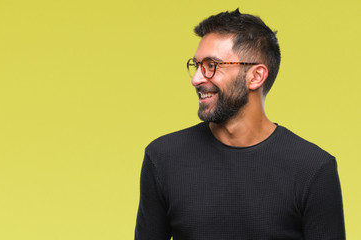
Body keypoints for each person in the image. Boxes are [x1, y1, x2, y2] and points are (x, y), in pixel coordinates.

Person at [134, 8, 345, 240]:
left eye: (212, 65)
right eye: (196, 65)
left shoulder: (313, 169)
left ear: (255, 76)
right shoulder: (163, 158)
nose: (196, 79)